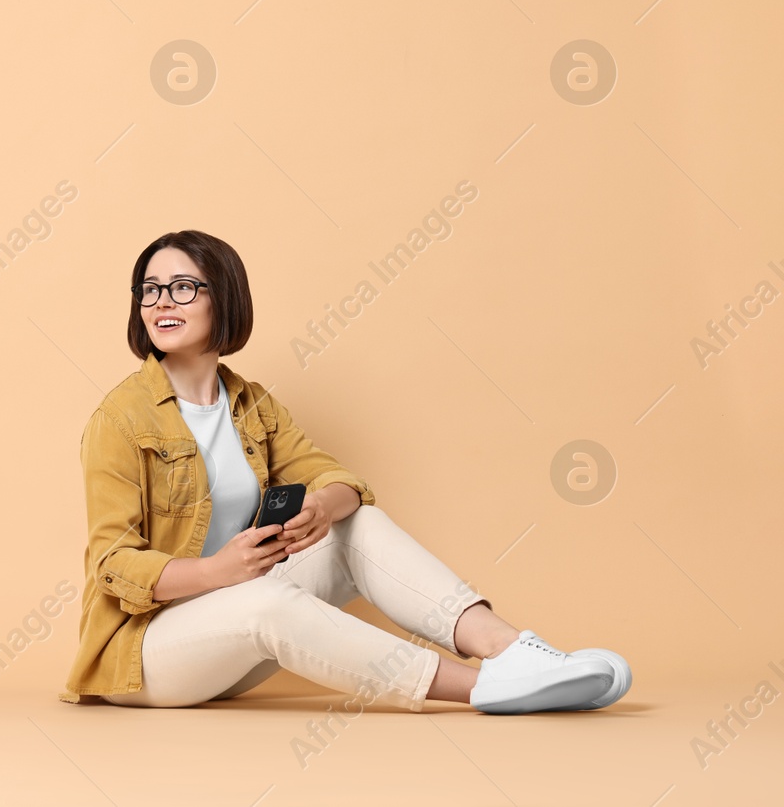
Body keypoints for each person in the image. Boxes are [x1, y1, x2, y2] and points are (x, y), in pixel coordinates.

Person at [58, 230, 631, 714]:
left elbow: (336, 478)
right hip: (146, 656)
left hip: (233, 649)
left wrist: (320, 508)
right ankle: (487, 689)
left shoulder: (250, 405)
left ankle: (513, 652)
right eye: (150, 290)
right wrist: (217, 571)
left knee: (356, 523)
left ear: (222, 298)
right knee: (264, 601)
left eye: (183, 287)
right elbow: (114, 563)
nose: (163, 302)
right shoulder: (120, 419)